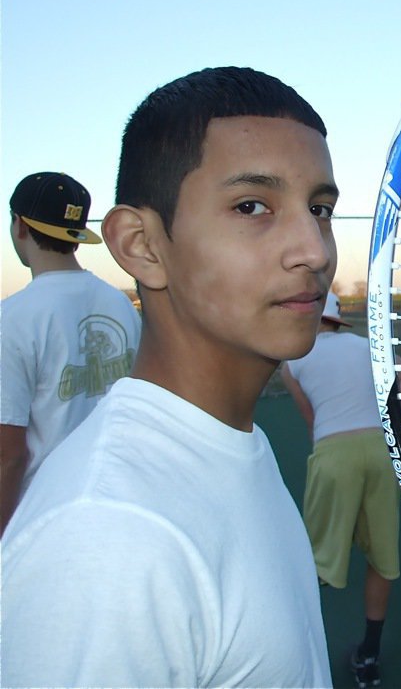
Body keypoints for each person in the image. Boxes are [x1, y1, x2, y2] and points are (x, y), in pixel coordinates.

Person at [1, 67, 337, 687]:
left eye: (319, 209)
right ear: (141, 245)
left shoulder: (230, 445)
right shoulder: (107, 540)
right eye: (251, 206)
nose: (314, 249)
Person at [281, 292, 401, 689]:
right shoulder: (365, 347)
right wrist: (389, 423)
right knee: (382, 558)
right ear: (337, 319)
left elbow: (312, 422)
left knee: (314, 561)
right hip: (380, 451)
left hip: (334, 453)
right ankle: (369, 656)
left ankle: (296, 652)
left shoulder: (292, 361)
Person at [1, 172, 142, 535]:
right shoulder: (120, 304)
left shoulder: (11, 319)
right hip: (123, 504)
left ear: (20, 226)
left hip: (46, 523)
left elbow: (9, 456)